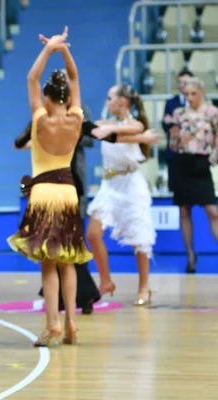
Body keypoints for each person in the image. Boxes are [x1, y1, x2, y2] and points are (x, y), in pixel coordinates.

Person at [16, 107, 160, 314]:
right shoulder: (52, 122)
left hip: (72, 183)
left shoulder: (79, 120)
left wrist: (141, 137)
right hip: (54, 184)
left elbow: (103, 135)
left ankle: (84, 296)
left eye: (111, 98)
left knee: (68, 243)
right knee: (64, 242)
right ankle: (83, 293)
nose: (107, 102)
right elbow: (20, 143)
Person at [7, 27, 91, 347]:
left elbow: (31, 77)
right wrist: (64, 50)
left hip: (43, 193)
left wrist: (49, 49)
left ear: (45, 97)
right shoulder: (76, 118)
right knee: (68, 260)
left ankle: (53, 324)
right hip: (69, 193)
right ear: (68, 98)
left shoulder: (39, 118)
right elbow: (75, 76)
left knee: (49, 263)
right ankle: (71, 324)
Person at [86, 84, 157, 306]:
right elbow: (94, 130)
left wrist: (115, 133)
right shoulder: (107, 124)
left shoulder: (136, 125)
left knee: (139, 238)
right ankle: (106, 281)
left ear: (122, 102)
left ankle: (144, 287)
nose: (106, 103)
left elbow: (131, 131)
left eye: (110, 98)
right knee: (93, 233)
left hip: (131, 185)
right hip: (109, 185)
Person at [164, 77, 218, 274]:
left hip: (202, 163)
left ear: (201, 92)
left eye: (193, 94)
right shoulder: (178, 114)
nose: (189, 98)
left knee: (212, 210)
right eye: (186, 94)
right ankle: (190, 254)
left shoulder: (212, 113)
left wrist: (214, 156)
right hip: (182, 163)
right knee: (184, 210)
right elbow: (172, 144)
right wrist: (178, 139)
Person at [162, 68, 193, 192]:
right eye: (180, 82)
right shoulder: (170, 103)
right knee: (174, 191)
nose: (183, 85)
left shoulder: (199, 104)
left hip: (194, 155)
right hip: (174, 153)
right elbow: (166, 126)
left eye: (186, 82)